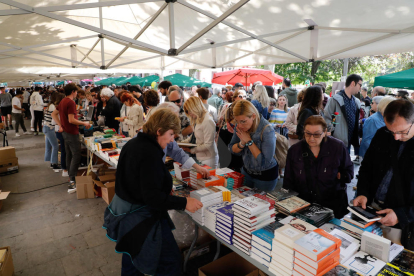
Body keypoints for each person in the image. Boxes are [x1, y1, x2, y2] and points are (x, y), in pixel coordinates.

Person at [103, 108, 203, 276]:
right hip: (140, 218)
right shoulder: (149, 153)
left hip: (127, 214)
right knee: (169, 261)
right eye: (171, 135)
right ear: (158, 131)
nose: (172, 140)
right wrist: (185, 203)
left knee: (131, 257)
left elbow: (135, 182)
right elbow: (153, 198)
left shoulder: (134, 143)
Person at [353, 100, 414, 247]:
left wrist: (402, 215)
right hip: (371, 211)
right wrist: (362, 192)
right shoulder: (382, 134)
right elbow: (367, 167)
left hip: (403, 224)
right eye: (391, 131)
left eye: (402, 131)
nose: (396, 137)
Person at [284, 116, 353, 218]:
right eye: (307, 133)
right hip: (304, 205)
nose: (311, 138)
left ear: (325, 132)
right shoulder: (295, 151)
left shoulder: (337, 147)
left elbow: (349, 171)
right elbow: (288, 182)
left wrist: (341, 176)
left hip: (332, 205)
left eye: (316, 134)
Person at [228, 100, 278, 191]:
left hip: (265, 177)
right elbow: (231, 149)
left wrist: (249, 141)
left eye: (243, 121)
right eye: (237, 121)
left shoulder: (267, 129)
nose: (239, 125)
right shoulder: (239, 126)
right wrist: (242, 143)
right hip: (246, 172)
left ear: (253, 116)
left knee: (262, 203)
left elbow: (264, 162)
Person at [52, 83, 91, 191]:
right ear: (73, 91)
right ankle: (72, 180)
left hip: (65, 132)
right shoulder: (70, 102)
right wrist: (84, 123)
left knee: (69, 154)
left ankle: (71, 177)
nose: (77, 93)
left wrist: (61, 125)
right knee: (76, 155)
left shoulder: (63, 101)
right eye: (76, 91)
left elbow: (53, 114)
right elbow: (71, 120)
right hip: (71, 132)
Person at [324, 74, 363, 156]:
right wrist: (332, 130)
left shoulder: (355, 101)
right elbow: (329, 117)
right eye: (360, 85)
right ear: (353, 83)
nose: (360, 88)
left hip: (349, 142)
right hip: (337, 141)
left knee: (344, 166)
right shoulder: (335, 99)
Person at [181, 97, 219, 168]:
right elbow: (193, 137)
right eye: (187, 111)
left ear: (195, 107)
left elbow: (208, 145)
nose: (189, 113)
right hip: (201, 156)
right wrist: (181, 143)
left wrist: (191, 150)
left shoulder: (207, 120)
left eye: (189, 110)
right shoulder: (199, 118)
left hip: (208, 158)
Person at [43, 92, 62, 172]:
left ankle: (50, 161)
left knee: (49, 146)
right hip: (49, 128)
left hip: (46, 127)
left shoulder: (50, 105)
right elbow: (54, 118)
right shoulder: (52, 106)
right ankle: (54, 164)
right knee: (55, 146)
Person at [54, 93, 68, 177]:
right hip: (60, 130)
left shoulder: (57, 106)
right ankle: (65, 169)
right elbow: (54, 114)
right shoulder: (61, 106)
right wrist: (61, 125)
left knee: (64, 150)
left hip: (58, 130)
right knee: (64, 150)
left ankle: (65, 168)